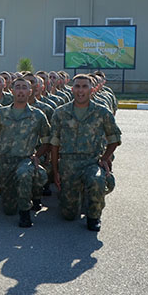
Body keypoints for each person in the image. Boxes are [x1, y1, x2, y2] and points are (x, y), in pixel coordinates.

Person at [50, 74, 122, 231]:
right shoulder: (60, 112)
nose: (80, 90)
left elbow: (114, 138)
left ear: (91, 89)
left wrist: (104, 158)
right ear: (72, 89)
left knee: (97, 180)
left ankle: (94, 216)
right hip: (68, 165)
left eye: (84, 86)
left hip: (91, 162)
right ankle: (78, 197)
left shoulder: (102, 112)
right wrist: (55, 171)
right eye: (77, 86)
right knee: (68, 215)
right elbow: (54, 144)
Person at [0, 78, 51, 227]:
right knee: (9, 209)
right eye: (17, 87)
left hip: (26, 160)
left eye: (24, 88)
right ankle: (17, 200)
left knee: (24, 174)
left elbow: (47, 141)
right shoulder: (1, 113)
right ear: (11, 91)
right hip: (6, 161)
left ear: (30, 92)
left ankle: (25, 213)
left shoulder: (38, 115)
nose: (21, 91)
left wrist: (37, 156)